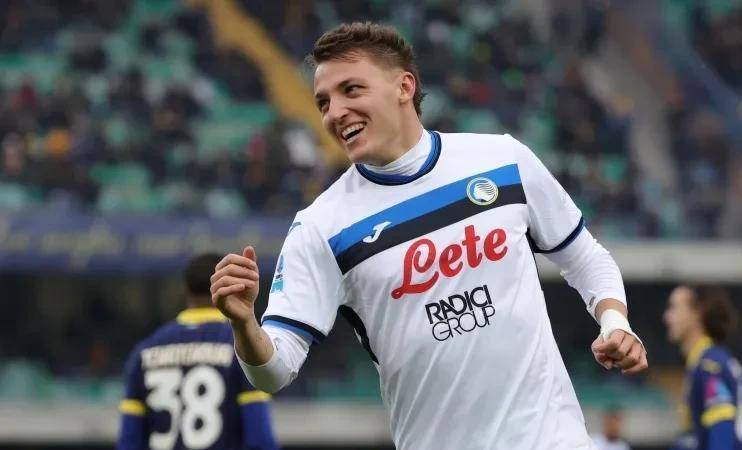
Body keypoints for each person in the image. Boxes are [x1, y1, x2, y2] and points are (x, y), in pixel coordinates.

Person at [210, 22, 648, 450]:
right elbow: (273, 373)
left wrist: (615, 323)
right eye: (323, 102)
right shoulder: (321, 227)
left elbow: (585, 258)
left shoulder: (502, 160)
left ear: (404, 87)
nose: (334, 112)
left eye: (351, 90)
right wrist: (244, 323)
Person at [118, 253, 279, 450]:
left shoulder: (144, 352)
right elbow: (260, 440)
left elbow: (129, 442)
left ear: (186, 289)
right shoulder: (244, 348)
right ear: (230, 287)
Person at [664, 285, 741, 450]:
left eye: (674, 308)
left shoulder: (710, 366)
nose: (667, 317)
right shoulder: (703, 362)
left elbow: (722, 430)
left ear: (697, 312)